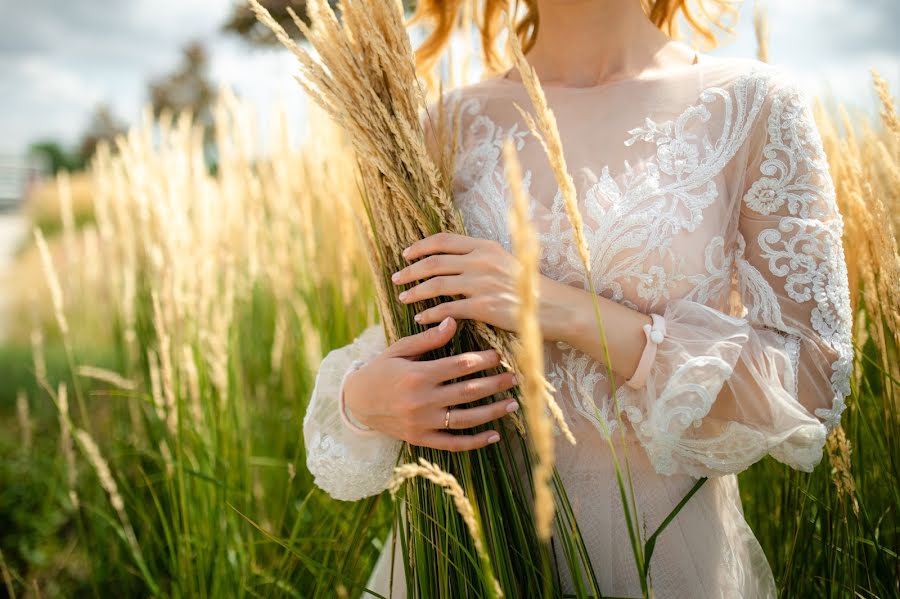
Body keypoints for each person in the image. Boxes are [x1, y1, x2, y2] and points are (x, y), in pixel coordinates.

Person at [302, 0, 854, 596]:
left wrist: (559, 308)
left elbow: (813, 382)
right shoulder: (447, 123)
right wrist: (366, 401)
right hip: (470, 552)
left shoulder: (754, 105)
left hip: (665, 556)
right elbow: (402, 336)